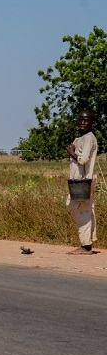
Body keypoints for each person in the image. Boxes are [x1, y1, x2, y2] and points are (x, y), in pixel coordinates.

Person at [66, 109, 98, 255]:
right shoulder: (81, 138)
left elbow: (83, 159)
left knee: (81, 209)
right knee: (84, 209)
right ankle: (87, 242)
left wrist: (72, 153)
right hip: (79, 180)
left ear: (92, 122)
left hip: (84, 180)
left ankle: (86, 246)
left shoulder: (88, 138)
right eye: (80, 119)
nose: (82, 122)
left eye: (86, 120)